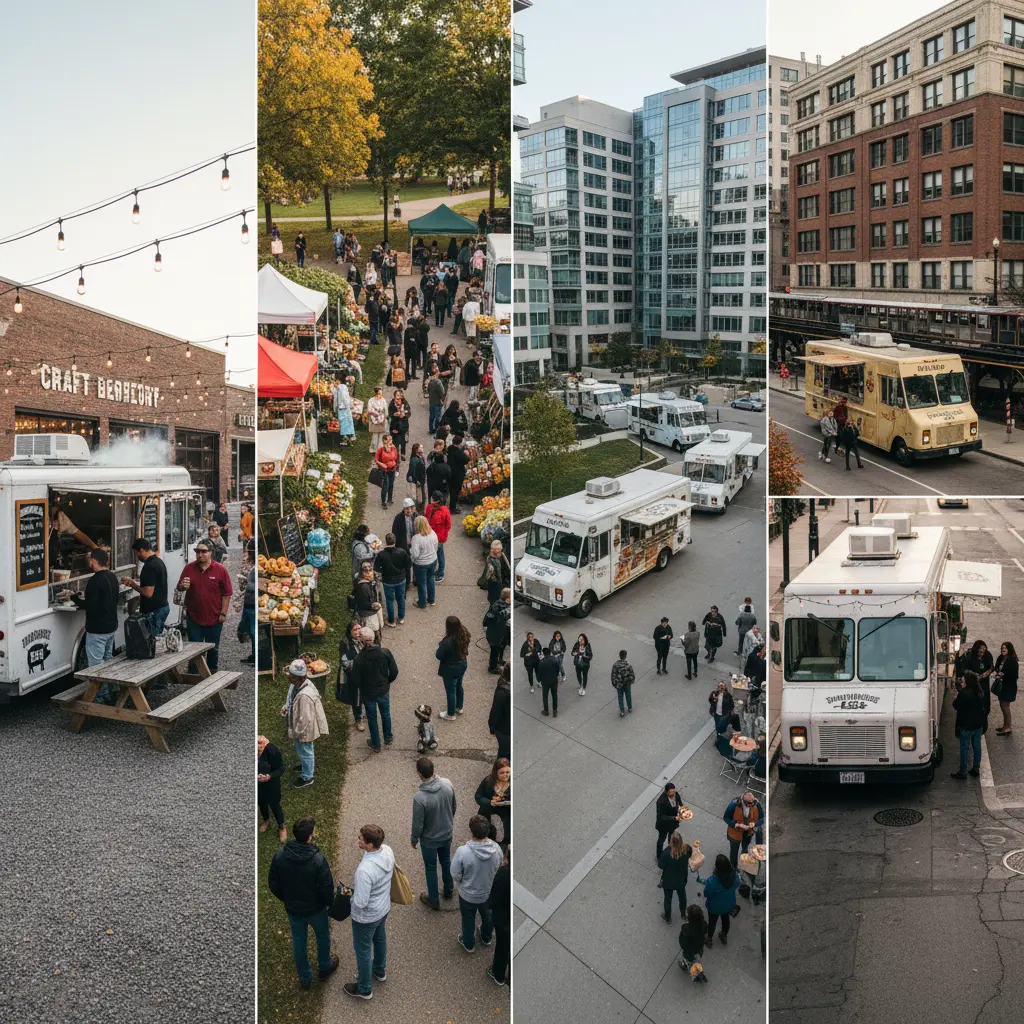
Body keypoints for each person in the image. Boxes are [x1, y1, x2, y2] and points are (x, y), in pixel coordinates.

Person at [268, 817, 337, 990]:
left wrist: (287, 898)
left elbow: (273, 883)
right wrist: (329, 903)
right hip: (316, 910)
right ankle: (324, 967)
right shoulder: (318, 860)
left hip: (294, 909)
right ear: (309, 837)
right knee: (322, 936)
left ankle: (305, 978)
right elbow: (326, 887)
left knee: (299, 941)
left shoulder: (280, 855)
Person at [343, 824, 395, 1001]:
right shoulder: (387, 851)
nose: (358, 840)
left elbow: (361, 902)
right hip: (383, 907)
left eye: (361, 839)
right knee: (380, 939)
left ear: (370, 845)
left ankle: (364, 988)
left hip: (366, 917)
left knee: (363, 951)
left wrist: (350, 897)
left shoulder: (364, 871)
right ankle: (379, 970)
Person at [64, 548, 120, 702]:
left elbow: (90, 606)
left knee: (96, 666)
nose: (89, 562)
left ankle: (101, 697)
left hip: (97, 629)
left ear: (94, 561)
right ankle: (113, 690)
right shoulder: (112, 577)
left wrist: (74, 598)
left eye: (90, 559)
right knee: (108, 660)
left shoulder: (95, 581)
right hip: (111, 626)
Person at [175, 539, 232, 672]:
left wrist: (223, 613)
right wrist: (182, 586)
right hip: (194, 617)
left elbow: (227, 594)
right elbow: (179, 587)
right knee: (194, 649)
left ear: (211, 552)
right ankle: (193, 674)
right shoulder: (189, 568)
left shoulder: (220, 570)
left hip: (214, 617)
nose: (199, 554)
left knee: (213, 648)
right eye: (197, 551)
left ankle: (212, 672)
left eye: (203, 551)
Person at [451, 815, 503, 954]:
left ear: (472, 831)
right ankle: (486, 937)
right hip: (487, 892)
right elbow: (499, 867)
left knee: (468, 918)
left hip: (467, 894)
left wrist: (461, 883)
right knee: (488, 916)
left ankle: (468, 943)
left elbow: (455, 873)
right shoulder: (497, 849)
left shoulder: (463, 852)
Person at [411, 757, 457, 910]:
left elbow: (418, 824)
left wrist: (414, 839)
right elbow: (453, 806)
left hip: (429, 840)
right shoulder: (447, 784)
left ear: (419, 773)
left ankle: (434, 900)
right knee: (446, 861)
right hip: (447, 833)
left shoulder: (420, 798)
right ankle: (449, 890)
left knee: (430, 868)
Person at [351, 627, 398, 753]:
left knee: (372, 718)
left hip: (368, 693)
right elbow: (394, 671)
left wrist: (362, 687)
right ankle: (388, 737)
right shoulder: (385, 652)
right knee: (386, 713)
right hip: (383, 690)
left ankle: (376, 744)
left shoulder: (359, 659)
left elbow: (355, 679)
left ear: (361, 642)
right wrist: (387, 681)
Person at [284, 659, 328, 788]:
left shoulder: (305, 696)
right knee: (305, 749)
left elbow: (304, 719)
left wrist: (296, 733)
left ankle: (307, 776)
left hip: (304, 730)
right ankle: (305, 765)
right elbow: (291, 698)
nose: (289, 678)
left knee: (305, 751)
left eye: (292, 676)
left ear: (300, 677)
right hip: (301, 726)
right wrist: (287, 707)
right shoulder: (298, 685)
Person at [122, 537, 169, 637]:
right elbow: (154, 583)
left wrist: (132, 584)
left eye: (137, 553)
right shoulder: (158, 562)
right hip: (161, 608)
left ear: (142, 550)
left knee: (152, 641)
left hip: (154, 611)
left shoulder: (150, 566)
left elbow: (148, 593)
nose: (137, 556)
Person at [696, 854, 740, 947]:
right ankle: (724, 935)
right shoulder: (734, 876)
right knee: (726, 920)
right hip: (728, 904)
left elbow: (706, 893)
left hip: (714, 906)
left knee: (712, 923)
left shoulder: (713, 880)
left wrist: (702, 881)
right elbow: (737, 884)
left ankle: (709, 939)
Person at [952, 670, 986, 778]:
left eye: (963, 681)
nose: (961, 683)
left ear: (967, 682)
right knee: (977, 746)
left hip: (967, 725)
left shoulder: (964, 693)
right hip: (978, 723)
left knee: (964, 748)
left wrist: (957, 695)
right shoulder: (978, 691)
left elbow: (956, 705)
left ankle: (963, 771)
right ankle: (976, 768)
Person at [436, 615, 470, 720]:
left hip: (450, 669)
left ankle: (451, 714)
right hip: (462, 664)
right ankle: (459, 707)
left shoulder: (446, 642)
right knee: (459, 686)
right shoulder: (464, 633)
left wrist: (440, 645)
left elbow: (438, 655)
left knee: (451, 691)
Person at [485, 849, 510, 986]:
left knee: (502, 947)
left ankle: (498, 974)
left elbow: (494, 896)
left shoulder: (503, 874)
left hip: (503, 919)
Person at [475, 757, 511, 848]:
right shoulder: (488, 781)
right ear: (496, 772)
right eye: (502, 773)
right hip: (488, 811)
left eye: (507, 772)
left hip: (506, 814)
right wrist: (489, 802)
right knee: (487, 832)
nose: (505, 775)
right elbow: (478, 797)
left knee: (506, 835)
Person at [374, 534, 409, 627]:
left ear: (386, 541)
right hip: (401, 579)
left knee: (390, 601)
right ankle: (401, 618)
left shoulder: (381, 554)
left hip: (388, 581)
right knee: (401, 599)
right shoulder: (402, 552)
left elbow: (376, 568)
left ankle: (391, 620)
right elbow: (408, 564)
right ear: (395, 541)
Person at [257, 735, 287, 843]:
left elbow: (280, 769)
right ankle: (266, 819)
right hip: (258, 785)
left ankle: (281, 826)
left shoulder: (271, 751)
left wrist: (269, 776)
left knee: (275, 805)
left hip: (271, 784)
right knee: (261, 803)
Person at [336, 622, 365, 732]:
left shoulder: (363, 639)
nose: (358, 632)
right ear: (350, 632)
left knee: (365, 695)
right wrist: (358, 663)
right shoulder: (345, 644)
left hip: (364, 675)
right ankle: (358, 719)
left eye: (359, 628)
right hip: (353, 676)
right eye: (355, 630)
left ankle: (364, 713)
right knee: (356, 698)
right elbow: (344, 662)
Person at [659, 832, 691, 925]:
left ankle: (667, 917)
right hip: (681, 879)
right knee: (682, 896)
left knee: (668, 899)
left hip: (668, 880)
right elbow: (690, 855)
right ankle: (683, 914)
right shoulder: (687, 849)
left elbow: (660, 865)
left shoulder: (666, 853)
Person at [724, 791, 763, 867]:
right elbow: (726, 818)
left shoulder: (755, 804)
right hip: (735, 833)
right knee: (734, 852)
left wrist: (755, 826)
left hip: (748, 831)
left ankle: (744, 856)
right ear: (744, 802)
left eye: (753, 802)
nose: (753, 805)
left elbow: (759, 818)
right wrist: (737, 824)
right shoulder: (733, 805)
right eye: (750, 803)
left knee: (745, 846)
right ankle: (734, 867)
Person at [410, 515, 439, 609]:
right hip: (432, 560)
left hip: (421, 564)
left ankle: (422, 603)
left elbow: (415, 554)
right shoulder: (433, 533)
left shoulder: (416, 538)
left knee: (421, 584)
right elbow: (436, 546)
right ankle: (431, 600)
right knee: (430, 579)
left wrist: (410, 553)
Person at [352, 560, 385, 639]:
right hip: (368, 615)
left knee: (376, 631)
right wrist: (373, 605)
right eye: (365, 569)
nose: (368, 570)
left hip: (375, 611)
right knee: (370, 635)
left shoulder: (374, 579)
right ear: (361, 572)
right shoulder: (363, 587)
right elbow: (362, 604)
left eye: (369, 568)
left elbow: (379, 594)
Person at [424, 492, 451, 583]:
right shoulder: (431, 507)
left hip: (438, 537)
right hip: (433, 536)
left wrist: (442, 533)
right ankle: (439, 571)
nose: (430, 499)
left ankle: (439, 573)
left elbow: (448, 525)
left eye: (432, 498)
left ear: (436, 500)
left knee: (436, 555)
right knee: (439, 554)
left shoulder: (441, 510)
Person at [678, 904, 709, 983]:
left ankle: (696, 975)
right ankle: (699, 974)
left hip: (690, 951)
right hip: (699, 948)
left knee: (690, 961)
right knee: (696, 960)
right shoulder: (703, 925)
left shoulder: (687, 931)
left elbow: (683, 944)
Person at [484, 586, 511, 673]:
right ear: (507, 597)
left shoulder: (499, 603)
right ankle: (493, 667)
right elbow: (499, 618)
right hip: (496, 633)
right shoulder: (499, 607)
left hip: (497, 631)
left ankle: (498, 661)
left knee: (499, 648)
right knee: (494, 651)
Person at [994, 641, 1019, 736]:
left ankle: (1008, 727)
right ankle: (1005, 726)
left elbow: (1015, 676)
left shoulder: (1012, 661)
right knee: (1003, 705)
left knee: (1005, 707)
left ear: (1009, 649)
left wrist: (1002, 675)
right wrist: (998, 672)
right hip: (1002, 686)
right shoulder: (1001, 658)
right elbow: (997, 667)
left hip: (1008, 687)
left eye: (1005, 648)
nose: (1003, 650)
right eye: (1002, 648)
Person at [655, 781, 683, 862]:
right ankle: (659, 857)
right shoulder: (661, 801)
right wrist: (674, 818)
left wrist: (682, 809)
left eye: (674, 791)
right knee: (661, 840)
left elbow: (679, 802)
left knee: (671, 838)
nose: (673, 793)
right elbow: (661, 816)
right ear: (666, 792)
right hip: (663, 825)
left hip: (672, 824)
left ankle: (670, 851)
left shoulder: (675, 794)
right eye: (671, 792)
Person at [488, 664, 511, 760]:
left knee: (504, 753)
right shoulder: (505, 690)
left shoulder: (503, 690)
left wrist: (492, 727)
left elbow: (495, 711)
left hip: (504, 728)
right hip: (506, 728)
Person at [373, 434, 399, 509]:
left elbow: (396, 458)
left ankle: (389, 499)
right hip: (385, 471)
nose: (391, 441)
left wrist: (396, 467)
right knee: (385, 486)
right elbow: (376, 459)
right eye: (389, 439)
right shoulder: (380, 449)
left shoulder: (393, 448)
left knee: (391, 485)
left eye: (391, 439)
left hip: (393, 469)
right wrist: (382, 464)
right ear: (384, 441)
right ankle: (383, 502)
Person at [536, 646, 561, 718]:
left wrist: (539, 680)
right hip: (554, 681)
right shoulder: (555, 660)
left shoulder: (541, 662)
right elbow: (558, 669)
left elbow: (539, 673)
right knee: (554, 696)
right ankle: (555, 711)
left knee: (545, 697)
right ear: (550, 653)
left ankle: (546, 711)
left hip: (545, 682)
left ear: (543, 654)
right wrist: (555, 676)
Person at [611, 649, 635, 717]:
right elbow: (632, 675)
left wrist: (615, 684)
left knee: (620, 697)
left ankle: (622, 711)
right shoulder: (628, 665)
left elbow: (613, 676)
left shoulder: (615, 665)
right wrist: (631, 682)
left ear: (619, 656)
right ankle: (629, 708)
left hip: (619, 685)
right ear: (625, 656)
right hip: (627, 684)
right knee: (628, 696)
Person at [333, 375, 356, 444]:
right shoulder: (343, 387)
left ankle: (345, 438)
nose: (334, 384)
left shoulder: (340, 388)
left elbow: (338, 400)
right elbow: (345, 397)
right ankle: (351, 435)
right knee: (348, 421)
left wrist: (335, 408)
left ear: (338, 382)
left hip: (342, 408)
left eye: (335, 382)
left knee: (343, 422)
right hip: (345, 407)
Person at [484, 540, 508, 604]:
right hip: (494, 583)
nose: (494, 551)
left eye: (496, 550)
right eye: (493, 549)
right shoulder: (490, 559)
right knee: (494, 600)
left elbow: (507, 567)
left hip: (501, 582)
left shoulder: (503, 556)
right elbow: (488, 574)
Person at [404, 442, 427, 509]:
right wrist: (416, 480)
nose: (422, 448)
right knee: (419, 496)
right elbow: (413, 471)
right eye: (421, 447)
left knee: (421, 495)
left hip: (421, 479)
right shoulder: (414, 459)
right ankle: (418, 508)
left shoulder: (421, 457)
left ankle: (419, 506)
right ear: (416, 450)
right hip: (418, 480)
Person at [427, 366, 447, 435]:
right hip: (438, 402)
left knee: (431, 417)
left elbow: (428, 390)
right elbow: (442, 392)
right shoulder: (438, 382)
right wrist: (441, 398)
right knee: (437, 417)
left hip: (431, 402)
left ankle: (431, 429)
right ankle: (436, 429)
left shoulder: (430, 381)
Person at [367, 387, 388, 451]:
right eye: (379, 393)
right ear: (376, 394)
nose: (381, 395)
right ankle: (373, 449)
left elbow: (386, 410)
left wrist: (385, 418)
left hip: (382, 420)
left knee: (381, 435)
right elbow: (370, 410)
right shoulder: (371, 400)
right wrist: (376, 417)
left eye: (381, 393)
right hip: (374, 420)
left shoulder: (383, 400)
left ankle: (380, 448)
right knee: (375, 435)